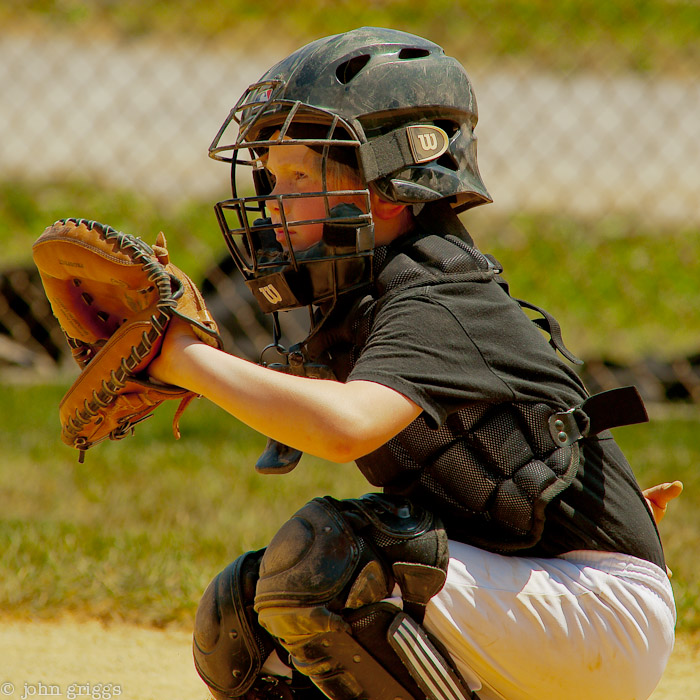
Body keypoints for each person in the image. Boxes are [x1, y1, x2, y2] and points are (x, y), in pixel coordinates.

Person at [149, 27, 679, 700]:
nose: (274, 201)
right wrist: (190, 369)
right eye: (270, 176)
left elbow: (344, 429)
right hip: (546, 590)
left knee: (326, 562)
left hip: (600, 613)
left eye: (300, 176)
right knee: (241, 623)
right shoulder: (361, 289)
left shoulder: (436, 295)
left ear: (394, 184)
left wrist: (186, 359)